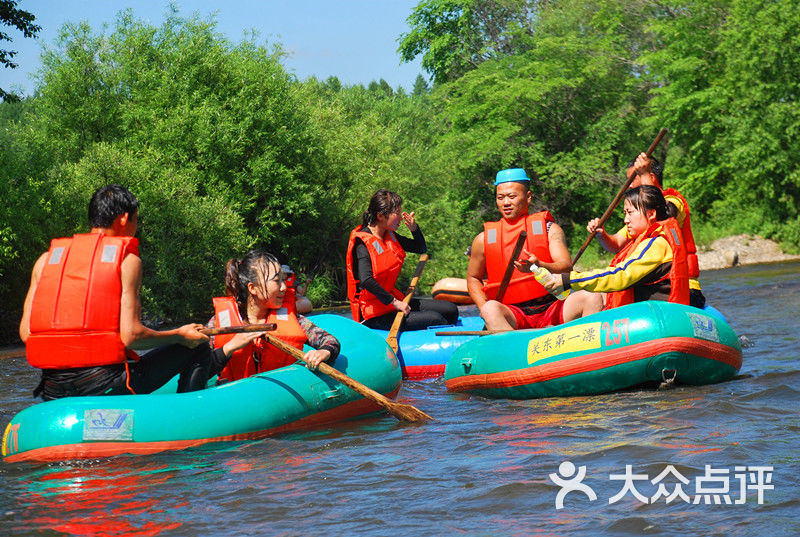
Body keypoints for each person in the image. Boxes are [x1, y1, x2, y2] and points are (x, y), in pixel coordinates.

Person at [19, 184, 213, 400]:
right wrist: (179, 335)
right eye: (136, 220)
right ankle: (187, 419)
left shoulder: (45, 261)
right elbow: (132, 337)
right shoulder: (127, 262)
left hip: (52, 389)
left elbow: (27, 334)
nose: (136, 227)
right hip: (103, 385)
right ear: (123, 219)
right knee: (198, 346)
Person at [466, 168, 603, 331]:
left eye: (512, 196)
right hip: (513, 313)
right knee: (490, 309)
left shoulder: (549, 229)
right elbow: (473, 277)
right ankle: (514, 349)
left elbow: (566, 266)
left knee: (592, 298)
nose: (506, 203)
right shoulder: (483, 239)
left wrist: (541, 265)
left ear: (528, 196)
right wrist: (483, 308)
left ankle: (585, 350)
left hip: (552, 306)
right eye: (500, 197)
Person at [528, 185, 690, 307]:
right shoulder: (656, 238)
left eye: (630, 212)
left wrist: (569, 279)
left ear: (651, 214)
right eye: (624, 213)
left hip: (659, 318)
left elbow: (620, 275)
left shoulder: (656, 244)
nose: (626, 220)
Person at [587, 153, 706, 308]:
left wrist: (643, 175)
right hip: (650, 287)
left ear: (649, 176)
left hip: (684, 288)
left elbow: (663, 217)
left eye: (632, 179)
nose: (628, 186)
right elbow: (616, 244)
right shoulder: (640, 220)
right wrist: (601, 234)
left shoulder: (673, 202)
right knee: (602, 296)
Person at [208, 250, 339, 382]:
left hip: (282, 397)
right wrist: (229, 347)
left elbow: (330, 341)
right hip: (237, 397)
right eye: (277, 281)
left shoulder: (294, 319)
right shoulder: (217, 325)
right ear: (252, 288)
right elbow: (198, 366)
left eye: (283, 280)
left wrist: (323, 352)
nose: (284, 287)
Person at [346, 189, 458, 331]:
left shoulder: (390, 235)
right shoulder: (362, 243)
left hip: (393, 301)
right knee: (436, 319)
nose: (400, 217)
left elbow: (420, 248)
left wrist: (414, 229)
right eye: (397, 213)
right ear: (381, 216)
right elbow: (366, 280)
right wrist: (395, 303)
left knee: (451, 309)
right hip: (373, 313)